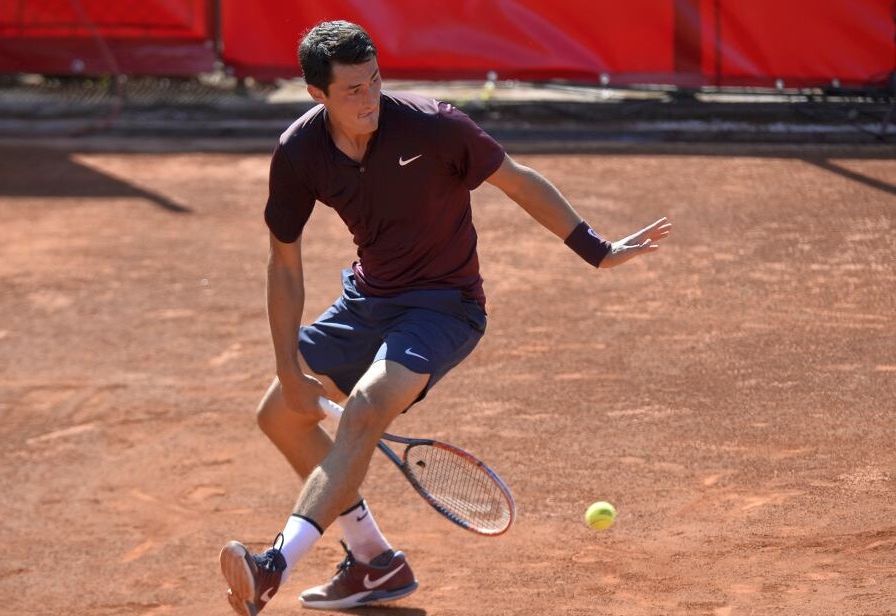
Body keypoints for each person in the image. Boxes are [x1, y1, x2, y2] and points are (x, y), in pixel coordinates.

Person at [219, 19, 671, 616]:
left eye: (374, 80)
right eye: (352, 90)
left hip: (445, 305)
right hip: (369, 300)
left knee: (367, 407)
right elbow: (284, 261)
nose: (369, 97)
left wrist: (598, 249)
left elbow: (517, 181)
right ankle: (374, 561)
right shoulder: (300, 152)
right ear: (316, 94)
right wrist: (287, 367)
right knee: (279, 414)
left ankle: (273, 565)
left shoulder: (433, 126)